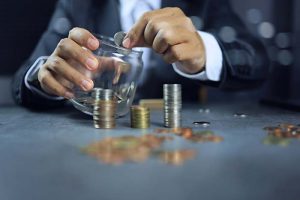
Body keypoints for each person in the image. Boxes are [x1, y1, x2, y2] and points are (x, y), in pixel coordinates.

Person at [12, 0, 269, 109]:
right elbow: (24, 79)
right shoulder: (79, 3)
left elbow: (257, 60)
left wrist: (206, 50)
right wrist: (48, 78)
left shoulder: (202, 1)